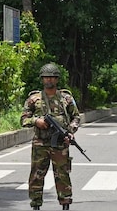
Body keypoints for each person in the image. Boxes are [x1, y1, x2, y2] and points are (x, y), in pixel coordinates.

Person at [20, 63, 80, 210]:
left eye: (52, 77)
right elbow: (23, 120)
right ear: (42, 79)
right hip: (40, 143)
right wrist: (36, 121)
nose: (49, 80)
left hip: (60, 144)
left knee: (62, 174)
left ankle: (65, 203)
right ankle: (36, 204)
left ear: (57, 79)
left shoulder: (66, 98)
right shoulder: (34, 99)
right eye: (46, 77)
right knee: (36, 175)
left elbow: (76, 117)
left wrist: (70, 132)